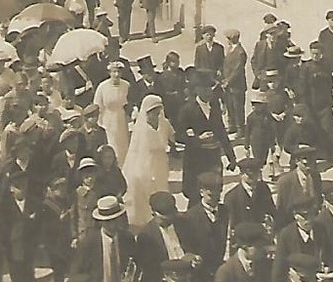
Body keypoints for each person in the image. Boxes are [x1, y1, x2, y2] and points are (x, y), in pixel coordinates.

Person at [178, 70, 237, 204]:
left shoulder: (215, 107)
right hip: (196, 161)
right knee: (195, 197)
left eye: (210, 88)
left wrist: (231, 157)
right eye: (204, 88)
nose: (208, 92)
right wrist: (198, 139)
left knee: (213, 194)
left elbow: (222, 132)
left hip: (213, 159)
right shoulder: (187, 109)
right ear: (197, 90)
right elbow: (179, 136)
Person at [134, 190, 196, 282]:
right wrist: (178, 265)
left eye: (171, 218)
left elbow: (196, 248)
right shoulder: (146, 236)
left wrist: (195, 258)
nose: (168, 222)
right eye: (164, 220)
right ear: (153, 213)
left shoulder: (185, 224)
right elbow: (150, 271)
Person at [122, 94, 174, 228]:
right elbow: (139, 154)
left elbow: (172, 137)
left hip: (160, 164)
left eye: (158, 113)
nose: (155, 116)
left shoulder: (163, 124)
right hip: (146, 166)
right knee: (147, 192)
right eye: (152, 113)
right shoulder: (142, 130)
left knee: (161, 188)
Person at [223, 158, 275, 249]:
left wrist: (270, 221)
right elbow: (232, 228)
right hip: (243, 243)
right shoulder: (232, 197)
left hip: (262, 240)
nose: (252, 177)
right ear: (241, 174)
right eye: (248, 175)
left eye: (255, 174)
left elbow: (272, 211)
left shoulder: (263, 189)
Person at [271, 199, 321, 282]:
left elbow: (329, 256)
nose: (309, 220)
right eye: (304, 216)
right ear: (295, 216)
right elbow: (278, 271)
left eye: (311, 215)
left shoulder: (320, 229)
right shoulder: (286, 235)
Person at [275, 146, 323, 229]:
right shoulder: (285, 182)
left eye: (312, 162)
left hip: (312, 223)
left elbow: (318, 199)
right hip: (292, 225)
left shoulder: (316, 176)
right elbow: (281, 210)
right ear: (297, 161)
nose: (309, 166)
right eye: (305, 163)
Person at [94, 61, 131, 165]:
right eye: (114, 72)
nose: (116, 74)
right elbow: (97, 104)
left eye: (119, 72)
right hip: (108, 118)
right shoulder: (102, 86)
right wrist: (100, 121)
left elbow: (130, 102)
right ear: (109, 73)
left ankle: (124, 165)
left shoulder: (126, 85)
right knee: (112, 143)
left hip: (121, 118)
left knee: (123, 143)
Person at [222, 29, 248, 137]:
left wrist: (228, 81)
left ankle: (240, 129)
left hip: (237, 85)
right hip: (228, 84)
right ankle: (232, 125)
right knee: (230, 106)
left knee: (238, 107)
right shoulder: (230, 49)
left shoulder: (240, 52)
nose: (227, 40)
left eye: (228, 38)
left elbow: (237, 69)